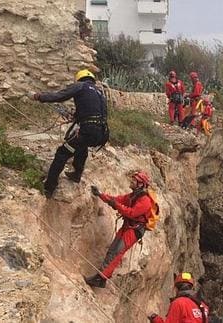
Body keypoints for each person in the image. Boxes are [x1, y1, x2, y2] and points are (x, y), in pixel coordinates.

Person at [31, 69, 108, 198]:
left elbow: (59, 96)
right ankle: (77, 174)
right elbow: (93, 111)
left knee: (62, 153)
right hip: (101, 133)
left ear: (79, 79)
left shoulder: (80, 86)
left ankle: (49, 187)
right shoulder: (100, 93)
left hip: (88, 130)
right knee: (81, 146)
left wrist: (39, 96)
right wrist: (78, 116)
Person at [84, 171, 159, 288]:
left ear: (140, 184)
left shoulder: (145, 201)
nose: (131, 181)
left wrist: (116, 205)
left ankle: (101, 277)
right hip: (128, 226)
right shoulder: (133, 196)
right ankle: (102, 277)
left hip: (134, 230)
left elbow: (132, 213)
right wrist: (101, 195)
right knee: (112, 250)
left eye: (134, 180)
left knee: (117, 252)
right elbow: (118, 199)